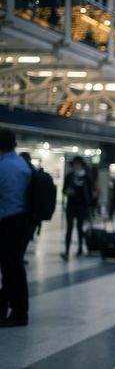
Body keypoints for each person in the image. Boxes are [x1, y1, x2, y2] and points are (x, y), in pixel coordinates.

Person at [0, 128, 33, 327]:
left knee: (12, 269)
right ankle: (6, 308)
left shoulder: (5, 167)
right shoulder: (22, 163)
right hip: (22, 222)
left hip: (10, 222)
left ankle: (19, 313)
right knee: (13, 268)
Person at [61, 156, 93, 261]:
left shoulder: (87, 177)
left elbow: (90, 191)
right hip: (71, 205)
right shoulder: (69, 176)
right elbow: (64, 190)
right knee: (69, 228)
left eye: (78, 164)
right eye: (75, 164)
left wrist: (90, 205)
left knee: (80, 227)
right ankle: (66, 251)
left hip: (82, 206)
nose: (76, 166)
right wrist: (67, 192)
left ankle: (80, 248)